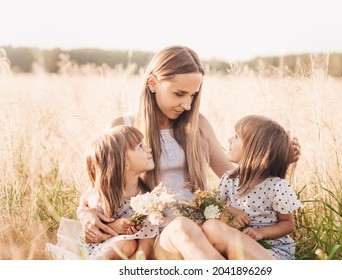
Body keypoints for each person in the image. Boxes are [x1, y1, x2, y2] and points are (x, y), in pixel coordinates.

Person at [77, 45, 301, 260]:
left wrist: (276, 158)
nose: (187, 104)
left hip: (200, 224)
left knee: (200, 229)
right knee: (182, 229)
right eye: (179, 93)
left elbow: (237, 176)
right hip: (153, 235)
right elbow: (101, 184)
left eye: (193, 95)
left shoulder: (198, 125)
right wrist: (84, 214)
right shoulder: (123, 128)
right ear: (153, 83)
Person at [47, 125, 159, 259]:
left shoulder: (147, 199)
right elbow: (88, 235)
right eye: (141, 146)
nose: (149, 149)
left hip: (132, 257)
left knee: (130, 246)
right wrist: (112, 227)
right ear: (124, 163)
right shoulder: (102, 198)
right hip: (100, 250)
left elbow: (148, 241)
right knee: (127, 244)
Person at [202, 115, 302, 260]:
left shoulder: (277, 186)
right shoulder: (229, 179)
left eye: (236, 137)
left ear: (255, 149)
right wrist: (230, 210)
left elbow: (287, 225)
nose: (230, 140)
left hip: (271, 249)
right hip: (238, 243)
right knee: (211, 227)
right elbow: (214, 204)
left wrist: (261, 232)